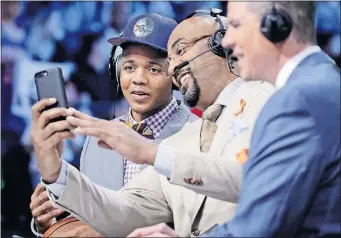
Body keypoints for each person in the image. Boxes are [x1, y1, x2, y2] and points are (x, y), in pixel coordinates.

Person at [34, 10, 274, 237]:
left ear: (220, 44)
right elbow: (124, 211)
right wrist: (55, 172)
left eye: (180, 50)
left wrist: (152, 154)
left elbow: (261, 185)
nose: (174, 67)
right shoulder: (181, 141)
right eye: (171, 58)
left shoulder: (268, 98)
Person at [128, 2, 341, 237]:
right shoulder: (319, 83)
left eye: (237, 25)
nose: (226, 42)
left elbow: (261, 224)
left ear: (276, 25)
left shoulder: (298, 99)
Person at [29, 13, 196, 237]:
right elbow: (85, 216)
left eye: (153, 69)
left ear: (175, 75)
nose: (138, 78)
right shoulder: (95, 140)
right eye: (129, 67)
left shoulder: (197, 134)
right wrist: (48, 222)